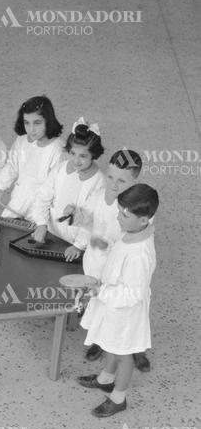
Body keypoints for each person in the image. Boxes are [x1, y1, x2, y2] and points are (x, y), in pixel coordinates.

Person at [77, 184, 158, 417]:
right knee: (109, 343)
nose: (118, 216)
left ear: (144, 220)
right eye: (120, 210)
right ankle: (105, 378)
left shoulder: (140, 255)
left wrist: (99, 291)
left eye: (124, 214)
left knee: (124, 354)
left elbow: (132, 293)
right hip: (113, 305)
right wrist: (105, 245)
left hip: (126, 312)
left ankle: (118, 398)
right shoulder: (132, 232)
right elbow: (118, 250)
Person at [78, 148, 150, 371]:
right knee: (100, 303)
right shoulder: (99, 195)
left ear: (135, 181)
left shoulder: (139, 206)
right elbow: (88, 220)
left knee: (131, 310)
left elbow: (135, 237)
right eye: (110, 177)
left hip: (123, 270)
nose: (114, 185)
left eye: (122, 180)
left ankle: (136, 348)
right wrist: (78, 217)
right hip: (97, 263)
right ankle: (100, 341)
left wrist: (108, 244)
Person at [30, 118, 105, 261]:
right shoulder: (61, 168)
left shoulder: (99, 182)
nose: (76, 161)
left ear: (94, 155)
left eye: (83, 156)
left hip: (77, 246)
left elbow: (94, 219)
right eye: (72, 154)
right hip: (51, 235)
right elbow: (43, 197)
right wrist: (41, 223)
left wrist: (78, 245)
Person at [0, 94, 64, 219]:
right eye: (27, 123)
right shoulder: (21, 141)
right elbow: (11, 167)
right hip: (18, 202)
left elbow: (55, 187)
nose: (31, 129)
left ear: (48, 120)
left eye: (37, 123)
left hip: (40, 208)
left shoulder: (57, 149)